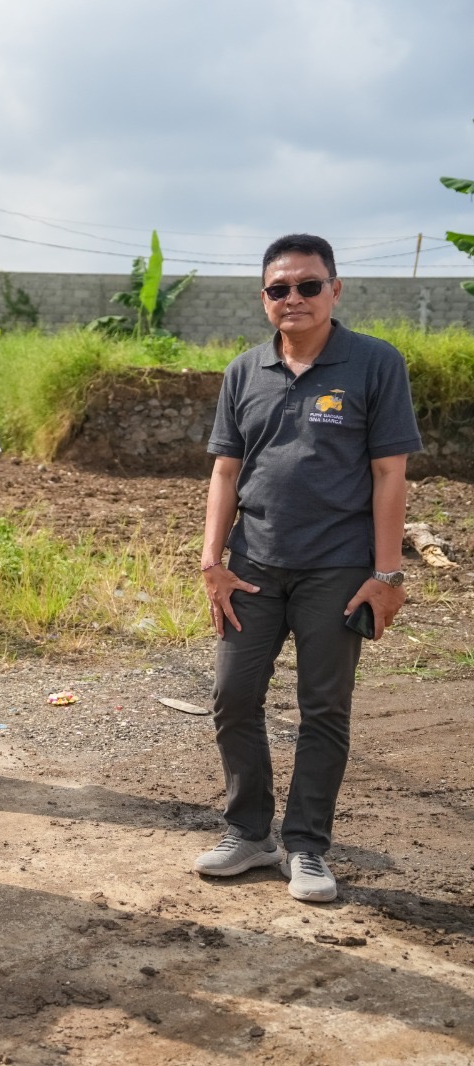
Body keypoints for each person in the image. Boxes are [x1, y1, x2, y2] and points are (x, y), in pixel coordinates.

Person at [193, 234, 420, 903]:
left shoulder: (375, 364)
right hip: (252, 566)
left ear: (335, 290)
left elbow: (389, 474)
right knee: (234, 698)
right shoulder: (244, 371)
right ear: (264, 299)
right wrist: (212, 560)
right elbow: (225, 470)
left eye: (308, 286)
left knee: (323, 709)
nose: (293, 299)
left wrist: (388, 574)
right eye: (278, 289)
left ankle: (308, 847)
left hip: (338, 570)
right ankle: (249, 833)